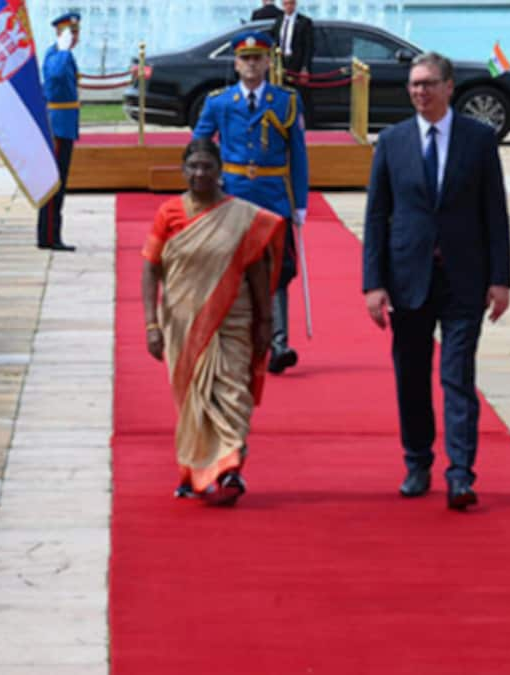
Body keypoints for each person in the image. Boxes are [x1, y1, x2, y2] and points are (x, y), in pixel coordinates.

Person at [362, 52, 510, 511]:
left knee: (458, 377)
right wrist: (373, 283)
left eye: (428, 83)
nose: (419, 92)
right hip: (408, 278)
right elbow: (378, 216)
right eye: (414, 85)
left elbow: (495, 214)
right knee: (411, 376)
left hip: (464, 278)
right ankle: (417, 461)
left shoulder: (479, 141)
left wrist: (501, 279)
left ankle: (461, 474)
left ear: (449, 87)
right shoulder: (392, 142)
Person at [141, 138, 285, 507]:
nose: (199, 173)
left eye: (207, 167)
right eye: (193, 167)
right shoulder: (169, 213)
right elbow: (151, 268)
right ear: (183, 170)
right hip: (182, 324)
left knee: (233, 394)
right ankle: (196, 470)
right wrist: (151, 325)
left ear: (220, 171)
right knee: (194, 400)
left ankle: (229, 468)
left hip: (232, 320)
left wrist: (266, 322)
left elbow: (257, 268)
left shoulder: (241, 216)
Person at [193, 30, 307, 375]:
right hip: (234, 194)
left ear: (268, 62)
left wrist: (299, 202)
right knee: (232, 268)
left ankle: (278, 342)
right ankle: (234, 339)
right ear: (236, 63)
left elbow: (298, 154)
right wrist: (205, 186)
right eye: (245, 59)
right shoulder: (220, 102)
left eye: (258, 58)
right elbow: (199, 145)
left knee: (278, 271)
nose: (252, 65)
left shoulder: (286, 101)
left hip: (274, 196)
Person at [36, 11, 80, 252]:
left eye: (75, 32)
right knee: (55, 183)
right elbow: (55, 75)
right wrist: (63, 50)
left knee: (59, 183)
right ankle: (50, 236)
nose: (74, 37)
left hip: (65, 125)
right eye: (69, 32)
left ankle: (49, 235)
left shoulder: (65, 56)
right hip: (58, 127)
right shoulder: (56, 55)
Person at [271, 0, 314, 123]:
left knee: (300, 95)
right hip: (282, 63)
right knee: (282, 94)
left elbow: (308, 47)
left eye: (291, 3)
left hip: (297, 63)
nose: (288, 6)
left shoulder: (304, 22)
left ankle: (305, 123)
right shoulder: (279, 21)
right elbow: (273, 39)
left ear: (295, 4)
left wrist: (305, 68)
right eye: (286, 4)